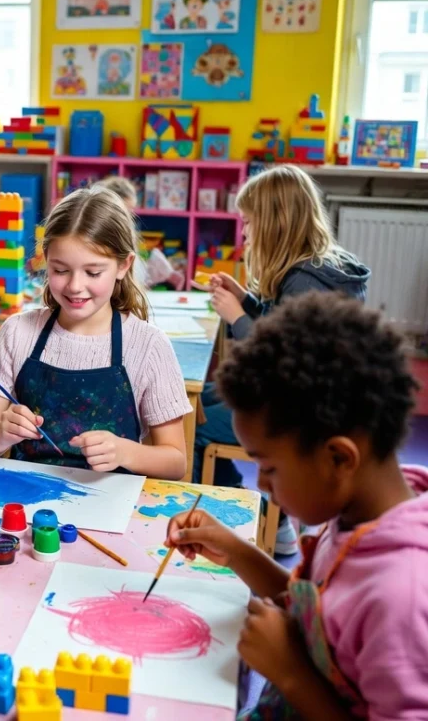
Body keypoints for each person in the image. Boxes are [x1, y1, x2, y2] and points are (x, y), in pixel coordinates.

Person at [166, 293, 428, 720]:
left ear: (339, 459)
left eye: (268, 467)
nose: (263, 484)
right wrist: (235, 551)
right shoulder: (355, 518)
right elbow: (321, 613)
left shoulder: (403, 596)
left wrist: (291, 674)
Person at [194, 164, 370, 554]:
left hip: (300, 412)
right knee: (200, 399)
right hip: (300, 402)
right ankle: (273, 521)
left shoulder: (306, 282)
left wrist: (237, 318)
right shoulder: (315, 269)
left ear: (275, 224)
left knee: (195, 427)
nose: (244, 232)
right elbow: (281, 323)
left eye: (249, 222)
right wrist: (246, 299)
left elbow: (282, 362)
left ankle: (265, 521)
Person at [0, 186, 191, 478]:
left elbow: (176, 462)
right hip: (26, 501)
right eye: (60, 270)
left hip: (111, 508)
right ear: (46, 260)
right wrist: (1, 433)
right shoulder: (17, 333)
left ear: (124, 265)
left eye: (93, 273)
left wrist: (125, 452)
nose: (74, 286)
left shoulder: (149, 345)